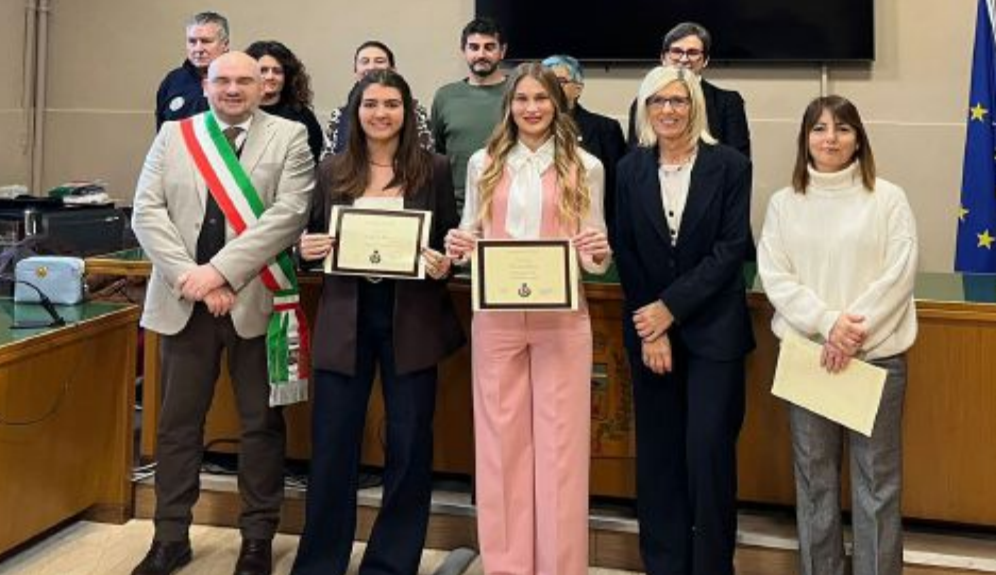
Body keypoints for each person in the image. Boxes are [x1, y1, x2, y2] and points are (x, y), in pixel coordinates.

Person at [131, 51, 315, 575]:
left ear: (262, 86)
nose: (233, 89)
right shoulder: (174, 135)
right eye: (223, 80)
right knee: (176, 426)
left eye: (244, 81)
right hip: (184, 301)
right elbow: (147, 211)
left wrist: (220, 273)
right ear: (206, 85)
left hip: (253, 299)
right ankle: (169, 537)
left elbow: (289, 215)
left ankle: (257, 539)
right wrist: (191, 277)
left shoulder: (289, 136)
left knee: (261, 425)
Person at [291, 69, 465, 575]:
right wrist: (305, 249)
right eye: (371, 104)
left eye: (392, 104)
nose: (381, 113)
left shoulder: (433, 169)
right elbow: (311, 238)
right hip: (345, 319)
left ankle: (391, 564)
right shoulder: (332, 170)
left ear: (407, 112)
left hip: (410, 319)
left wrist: (444, 262)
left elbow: (448, 239)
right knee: (332, 445)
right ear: (355, 111)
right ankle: (321, 563)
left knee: (409, 446)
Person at [445, 62, 611, 575]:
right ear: (509, 106)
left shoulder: (586, 165)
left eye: (541, 99)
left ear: (557, 105)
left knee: (561, 448)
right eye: (522, 99)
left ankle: (560, 566)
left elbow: (595, 255)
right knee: (500, 446)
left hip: (561, 319)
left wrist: (598, 250)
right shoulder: (484, 162)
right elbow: (470, 233)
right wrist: (459, 243)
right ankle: (507, 565)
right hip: (496, 317)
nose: (532, 108)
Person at [757, 95, 918, 575]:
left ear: (858, 139)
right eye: (820, 128)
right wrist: (828, 324)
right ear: (805, 139)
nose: (831, 138)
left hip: (875, 359)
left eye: (843, 128)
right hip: (810, 359)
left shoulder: (888, 198)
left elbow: (898, 274)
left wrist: (848, 335)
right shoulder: (784, 203)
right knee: (815, 484)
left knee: (877, 486)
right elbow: (776, 277)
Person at [612, 66, 754, 575]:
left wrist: (669, 308)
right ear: (645, 109)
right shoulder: (629, 169)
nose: (668, 110)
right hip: (650, 333)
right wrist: (653, 327)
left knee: (708, 453)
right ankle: (664, 564)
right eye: (657, 101)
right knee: (659, 457)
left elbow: (730, 249)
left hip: (715, 332)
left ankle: (712, 566)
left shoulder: (730, 166)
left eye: (678, 100)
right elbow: (627, 248)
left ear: (695, 105)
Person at [625, 22, 751, 158]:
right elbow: (634, 156)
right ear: (663, 58)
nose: (684, 59)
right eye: (676, 51)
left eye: (693, 53)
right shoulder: (644, 101)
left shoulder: (728, 102)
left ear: (705, 60)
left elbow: (739, 161)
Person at [431, 17, 509, 211]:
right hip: (455, 207)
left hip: (508, 204)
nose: (481, 54)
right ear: (463, 51)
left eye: (489, 47)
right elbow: (439, 153)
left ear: (502, 51)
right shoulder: (445, 96)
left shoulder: (518, 94)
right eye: (474, 47)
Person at [542, 54, 626, 223]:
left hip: (590, 223)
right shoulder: (530, 128)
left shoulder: (605, 129)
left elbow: (616, 191)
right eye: (545, 82)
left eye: (560, 81)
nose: (551, 87)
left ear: (578, 89)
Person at [325, 40, 434, 155]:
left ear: (393, 70)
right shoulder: (339, 116)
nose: (371, 67)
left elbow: (426, 157)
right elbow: (328, 159)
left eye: (379, 61)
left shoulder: (416, 112)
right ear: (355, 72)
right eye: (365, 62)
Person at [246, 40, 325, 163]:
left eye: (277, 71)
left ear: (287, 77)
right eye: (263, 70)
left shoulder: (302, 117)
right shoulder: (240, 112)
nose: (270, 77)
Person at [155, 11, 229, 130]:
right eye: (192, 41)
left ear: (225, 44)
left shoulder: (240, 79)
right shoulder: (173, 80)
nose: (198, 49)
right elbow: (162, 132)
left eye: (206, 41)